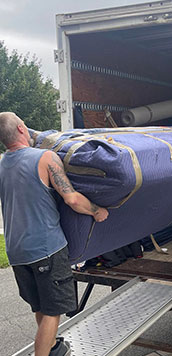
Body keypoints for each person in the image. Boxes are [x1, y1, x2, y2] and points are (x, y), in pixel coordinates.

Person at [0, 112, 109, 356]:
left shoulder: (2, 165)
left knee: (40, 304)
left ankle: (52, 346)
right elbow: (71, 199)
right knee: (53, 310)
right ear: (20, 129)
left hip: (16, 251)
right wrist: (97, 210)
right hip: (46, 248)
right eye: (25, 123)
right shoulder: (45, 158)